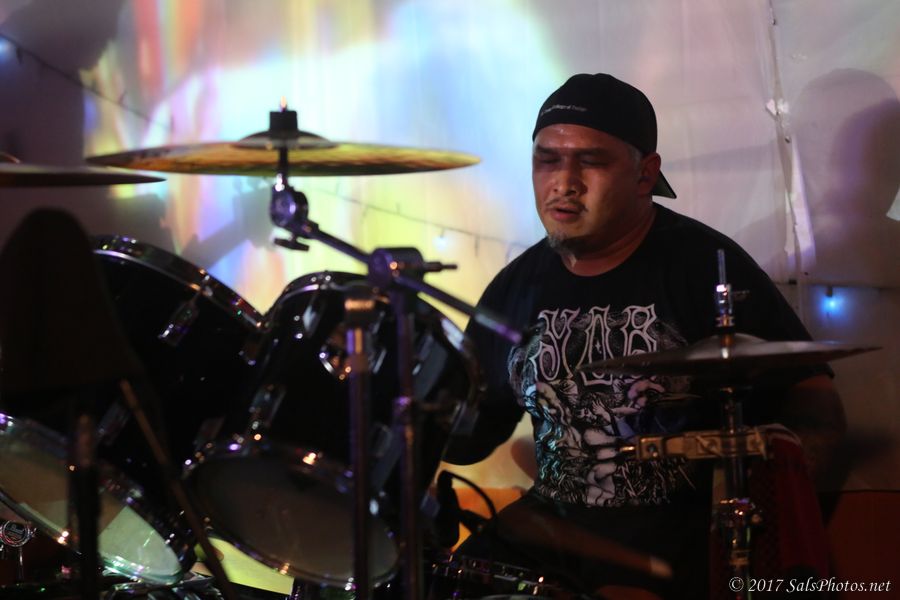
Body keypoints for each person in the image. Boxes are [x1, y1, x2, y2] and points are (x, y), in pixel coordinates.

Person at [443, 73, 846, 598]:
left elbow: (817, 411)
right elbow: (468, 438)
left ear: (644, 173)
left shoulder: (703, 265)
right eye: (547, 160)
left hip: (679, 554)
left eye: (591, 161)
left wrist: (761, 547)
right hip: (550, 541)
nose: (564, 182)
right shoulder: (517, 286)